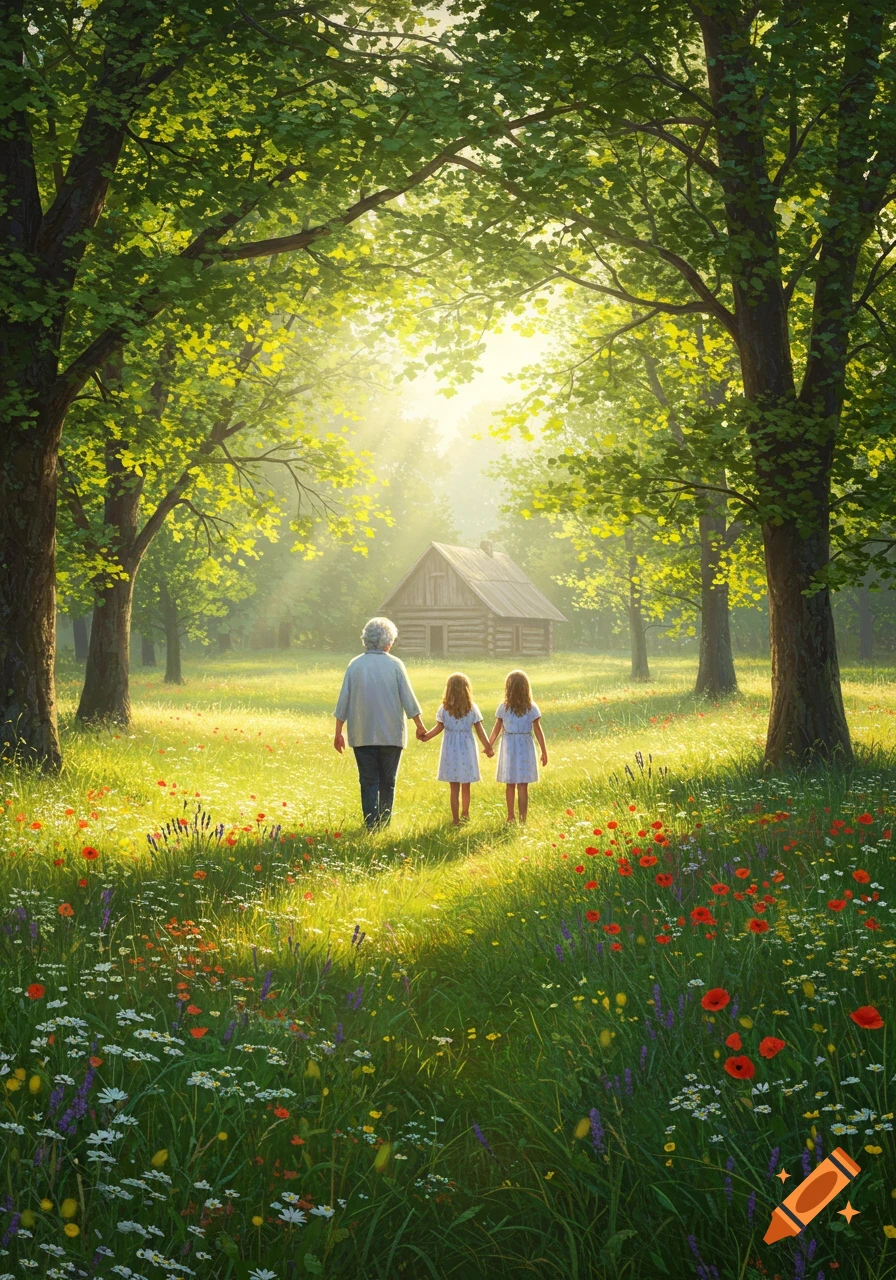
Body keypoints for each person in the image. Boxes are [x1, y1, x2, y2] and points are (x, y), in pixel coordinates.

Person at [333, 617, 426, 830]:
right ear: (388, 642)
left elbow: (343, 701)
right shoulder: (395, 664)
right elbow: (409, 699)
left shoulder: (355, 665)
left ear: (366, 640)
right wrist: (419, 726)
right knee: (388, 782)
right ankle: (384, 824)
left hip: (362, 734)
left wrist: (338, 732)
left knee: (368, 781)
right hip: (391, 735)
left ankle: (370, 826)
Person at [420, 672, 494, 825]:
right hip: (467, 746)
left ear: (449, 689)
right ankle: (465, 814)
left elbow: (438, 727)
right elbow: (480, 730)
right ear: (467, 689)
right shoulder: (472, 708)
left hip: (450, 747)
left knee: (454, 787)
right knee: (466, 785)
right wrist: (488, 747)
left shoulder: (444, 708)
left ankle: (455, 819)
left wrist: (426, 736)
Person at [488, 669, 548, 824]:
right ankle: (521, 818)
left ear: (508, 688)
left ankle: (512, 816)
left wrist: (490, 744)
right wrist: (543, 750)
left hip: (509, 745)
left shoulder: (508, 707)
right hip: (523, 746)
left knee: (511, 783)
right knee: (522, 785)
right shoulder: (528, 707)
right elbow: (537, 731)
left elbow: (496, 729)